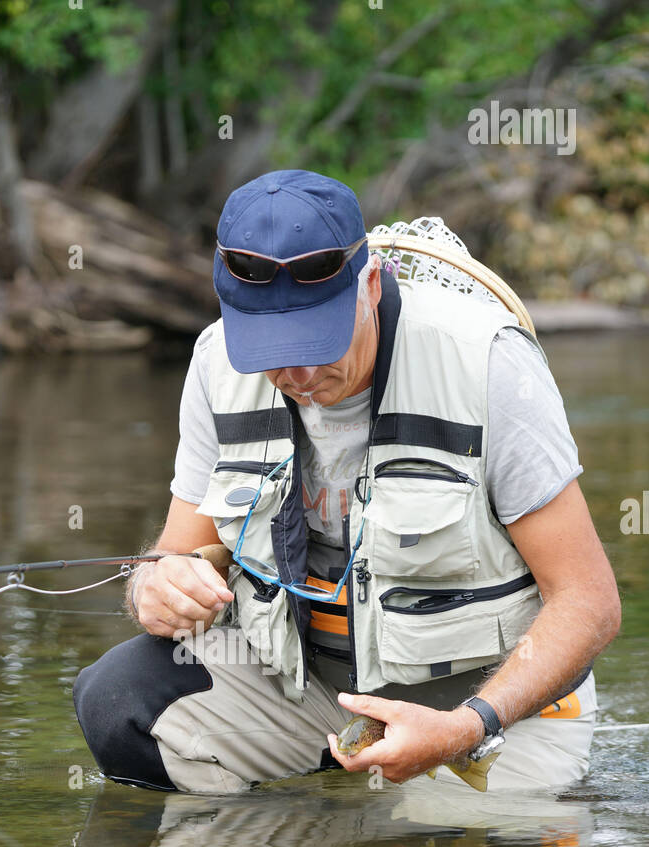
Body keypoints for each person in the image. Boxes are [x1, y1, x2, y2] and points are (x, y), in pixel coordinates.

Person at [73, 169, 620, 795]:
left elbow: (590, 603)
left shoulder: (489, 361)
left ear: (370, 283)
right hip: (312, 693)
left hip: (490, 715)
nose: (299, 374)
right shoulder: (213, 361)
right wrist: (156, 585)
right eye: (271, 349)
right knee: (119, 699)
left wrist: (469, 727)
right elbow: (176, 552)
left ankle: (370, 830)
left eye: (318, 342)